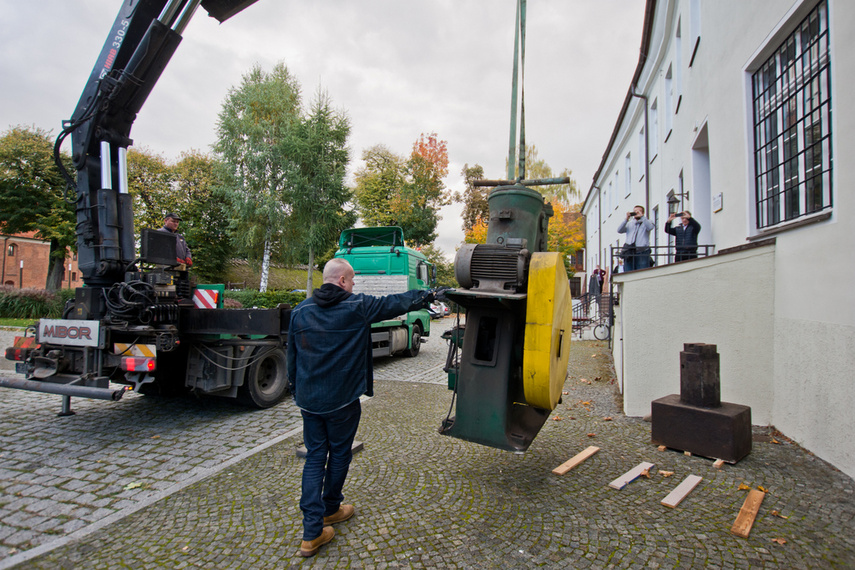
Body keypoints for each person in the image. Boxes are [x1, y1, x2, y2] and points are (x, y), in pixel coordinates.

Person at [286, 258, 435, 557]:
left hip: (310, 400)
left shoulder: (299, 311)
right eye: (352, 281)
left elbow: (292, 356)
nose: (354, 286)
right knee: (339, 453)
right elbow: (394, 304)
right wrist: (427, 294)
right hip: (342, 400)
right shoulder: (357, 307)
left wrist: (297, 390)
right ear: (341, 281)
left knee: (315, 457)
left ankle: (311, 533)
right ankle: (331, 508)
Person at [617, 205, 655, 271]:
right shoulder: (630, 224)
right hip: (630, 252)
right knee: (628, 272)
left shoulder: (647, 222)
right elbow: (619, 230)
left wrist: (642, 217)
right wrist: (626, 219)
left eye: (638, 211)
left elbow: (650, 227)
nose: (636, 213)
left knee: (642, 272)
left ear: (642, 213)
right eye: (635, 211)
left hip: (642, 252)